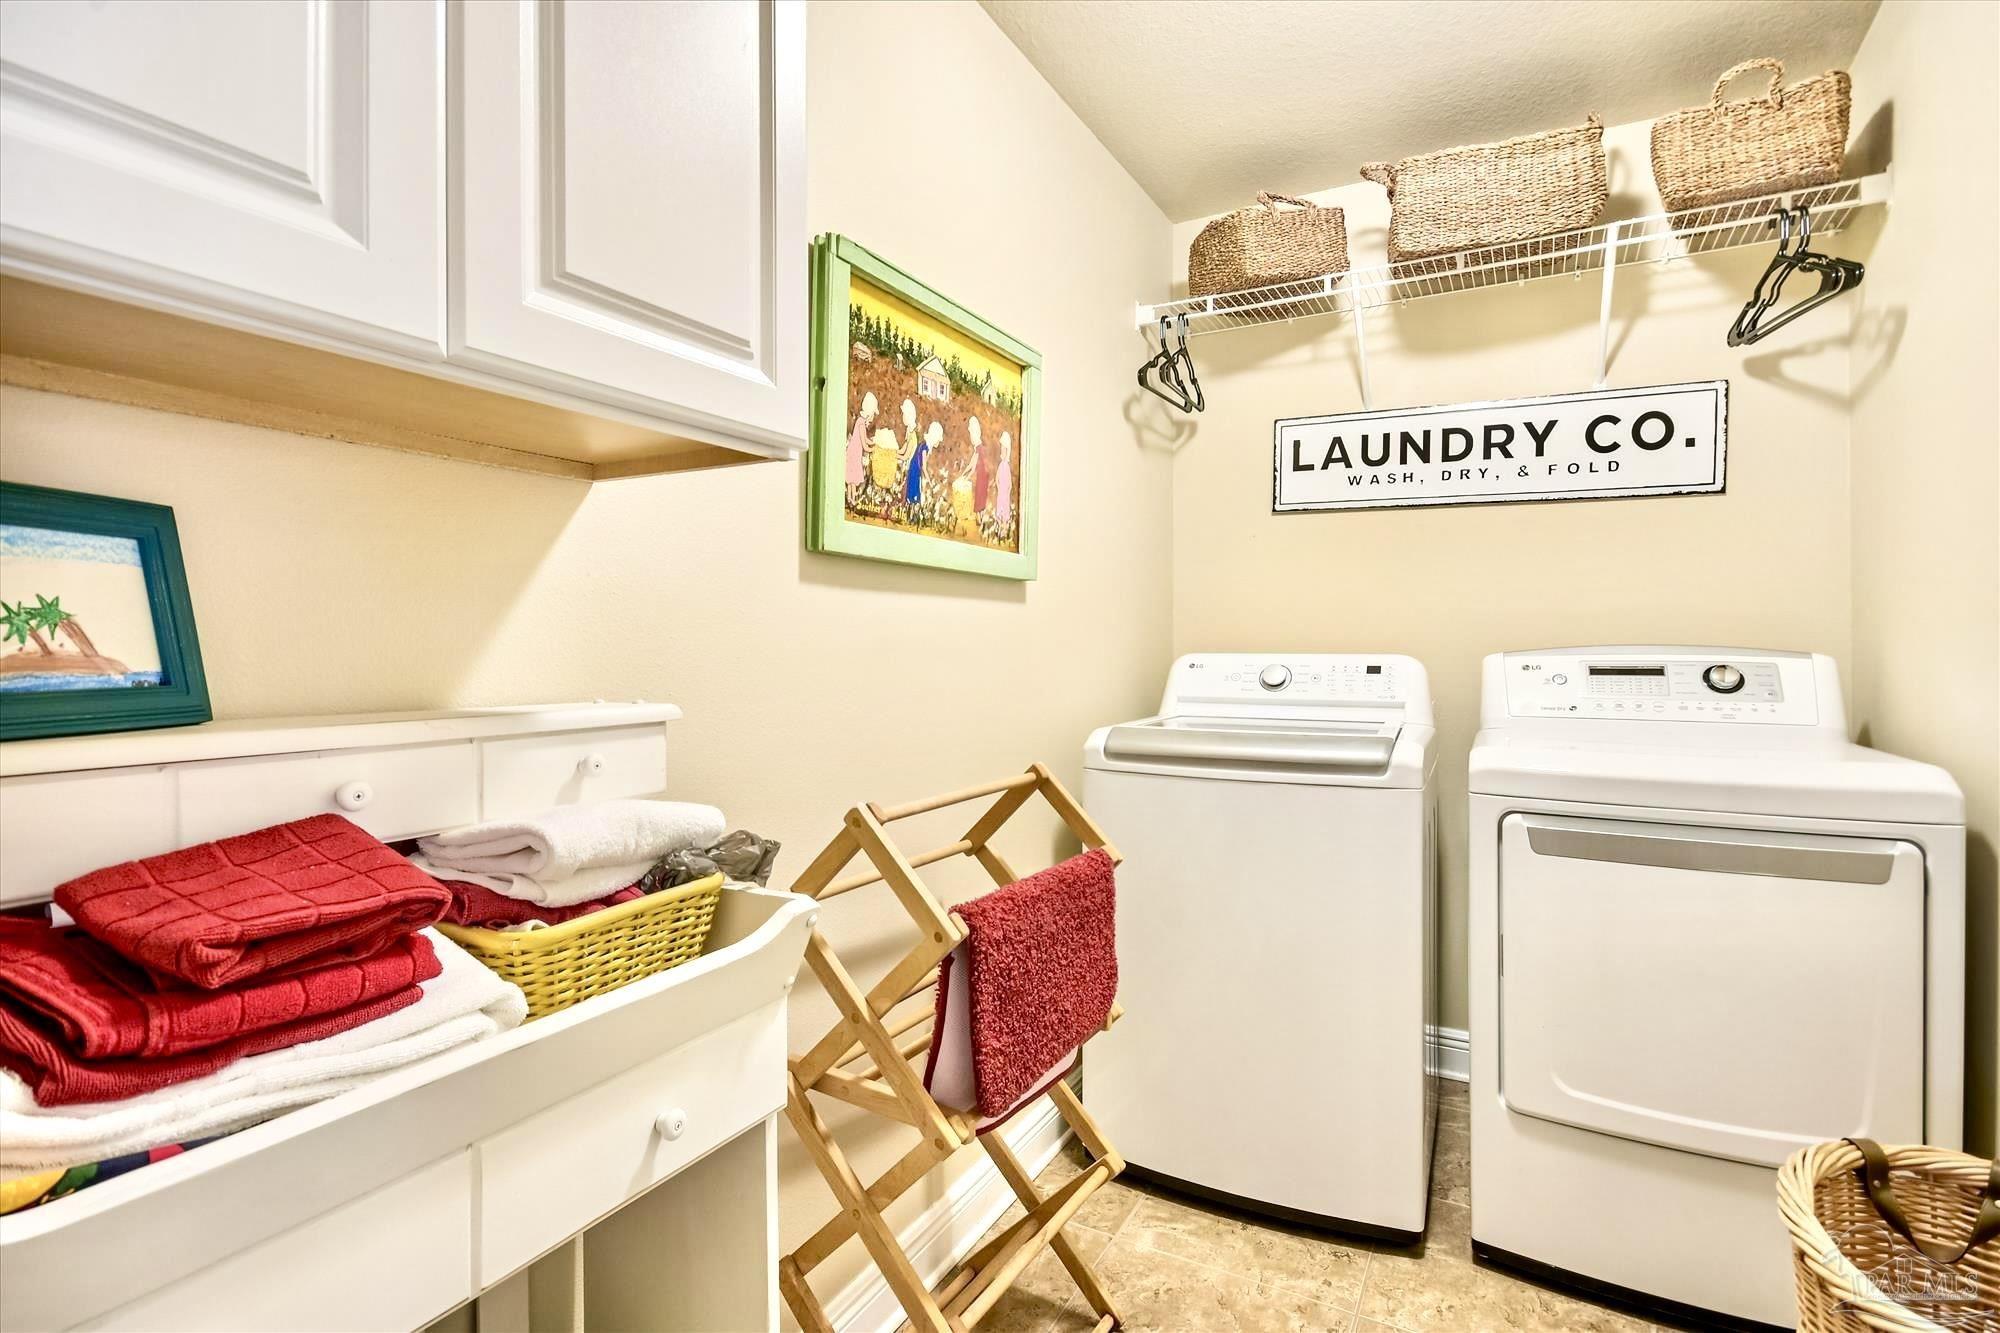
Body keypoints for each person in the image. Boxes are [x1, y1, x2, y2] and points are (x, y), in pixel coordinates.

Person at [905, 421, 942, 509]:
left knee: (914, 494)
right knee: (914, 494)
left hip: (915, 471)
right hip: (915, 471)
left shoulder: (925, 446)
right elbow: (924, 467)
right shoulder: (924, 448)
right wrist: (929, 482)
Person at [847, 392, 878, 491]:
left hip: (855, 452)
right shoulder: (861, 424)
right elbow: (865, 445)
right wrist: (875, 448)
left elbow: (866, 440)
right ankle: (852, 498)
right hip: (854, 453)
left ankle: (852, 497)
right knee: (852, 478)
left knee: (852, 480)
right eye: (873, 414)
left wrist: (874, 442)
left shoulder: (860, 422)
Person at [994, 431, 1014, 535]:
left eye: (1004, 450)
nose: (1002, 452)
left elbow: (1010, 483)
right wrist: (998, 486)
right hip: (1001, 491)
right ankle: (1000, 527)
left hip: (1005, 492)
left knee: (1005, 508)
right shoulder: (1001, 464)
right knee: (1000, 507)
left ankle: (1005, 529)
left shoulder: (1006, 466)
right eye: (1002, 450)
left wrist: (1007, 491)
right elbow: (997, 478)